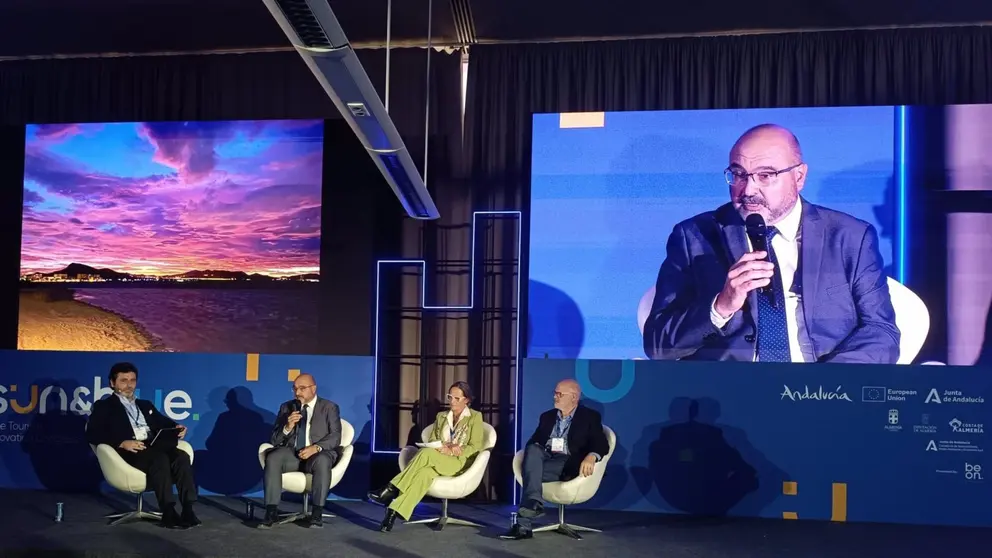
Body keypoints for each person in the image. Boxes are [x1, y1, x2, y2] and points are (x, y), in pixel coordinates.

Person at [642, 123, 900, 363]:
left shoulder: (849, 236)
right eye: (738, 175)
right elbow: (658, 345)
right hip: (727, 398)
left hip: (820, 393)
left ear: (799, 177)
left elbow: (881, 332)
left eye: (766, 175)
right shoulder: (694, 236)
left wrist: (825, 382)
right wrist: (721, 306)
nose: (748, 190)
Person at [85, 362, 199, 529]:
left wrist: (177, 428)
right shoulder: (104, 406)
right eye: (123, 380)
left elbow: (164, 423)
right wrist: (122, 443)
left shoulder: (145, 405)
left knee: (182, 457)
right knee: (159, 459)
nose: (129, 385)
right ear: (112, 383)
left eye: (132, 380)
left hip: (153, 445)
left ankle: (188, 509)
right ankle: (168, 511)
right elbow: (92, 433)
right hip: (130, 450)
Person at [367, 381, 484, 532]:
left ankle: (392, 488)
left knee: (426, 453)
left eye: (457, 398)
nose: (452, 401)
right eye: (450, 397)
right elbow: (433, 440)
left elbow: (475, 446)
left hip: (457, 462)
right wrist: (442, 446)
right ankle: (393, 512)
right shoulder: (441, 416)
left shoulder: (475, 417)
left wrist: (457, 449)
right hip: (438, 458)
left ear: (467, 400)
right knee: (423, 473)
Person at [501, 379, 609, 540]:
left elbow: (601, 443)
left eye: (559, 394)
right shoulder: (547, 416)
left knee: (531, 473)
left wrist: (592, 456)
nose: (555, 397)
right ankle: (531, 510)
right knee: (533, 449)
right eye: (555, 393)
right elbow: (533, 442)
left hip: (568, 462)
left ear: (574, 397)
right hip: (545, 457)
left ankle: (524, 523)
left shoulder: (589, 417)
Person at [258, 373, 341, 529]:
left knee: (323, 460)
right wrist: (287, 427)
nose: (297, 393)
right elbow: (274, 440)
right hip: (293, 455)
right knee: (273, 457)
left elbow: (335, 436)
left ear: (313, 388)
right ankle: (271, 512)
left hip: (317, 455)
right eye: (295, 389)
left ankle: (316, 513)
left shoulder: (329, 407)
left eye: (302, 388)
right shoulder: (287, 407)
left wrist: (315, 448)